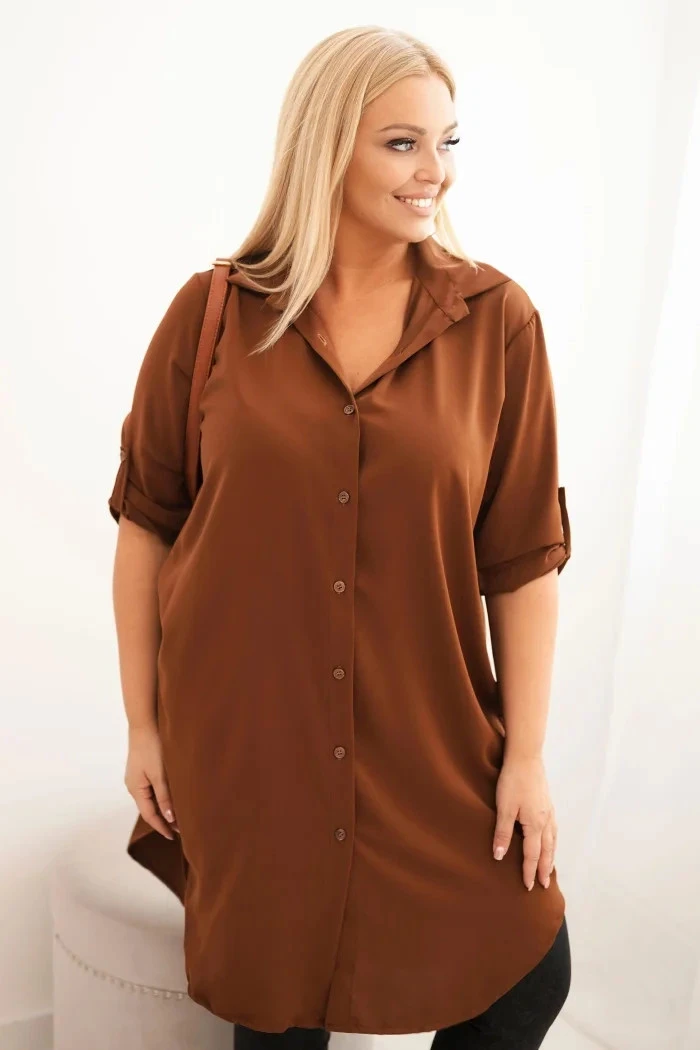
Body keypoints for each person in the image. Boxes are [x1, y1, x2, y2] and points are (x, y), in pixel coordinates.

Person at [109, 24, 573, 1050]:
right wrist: (143, 726)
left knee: (528, 973)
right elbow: (147, 529)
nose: (434, 171)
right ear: (325, 147)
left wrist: (525, 757)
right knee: (278, 1007)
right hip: (251, 738)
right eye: (402, 143)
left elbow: (522, 562)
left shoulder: (496, 323)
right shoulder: (213, 316)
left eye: (448, 142)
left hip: (430, 734)